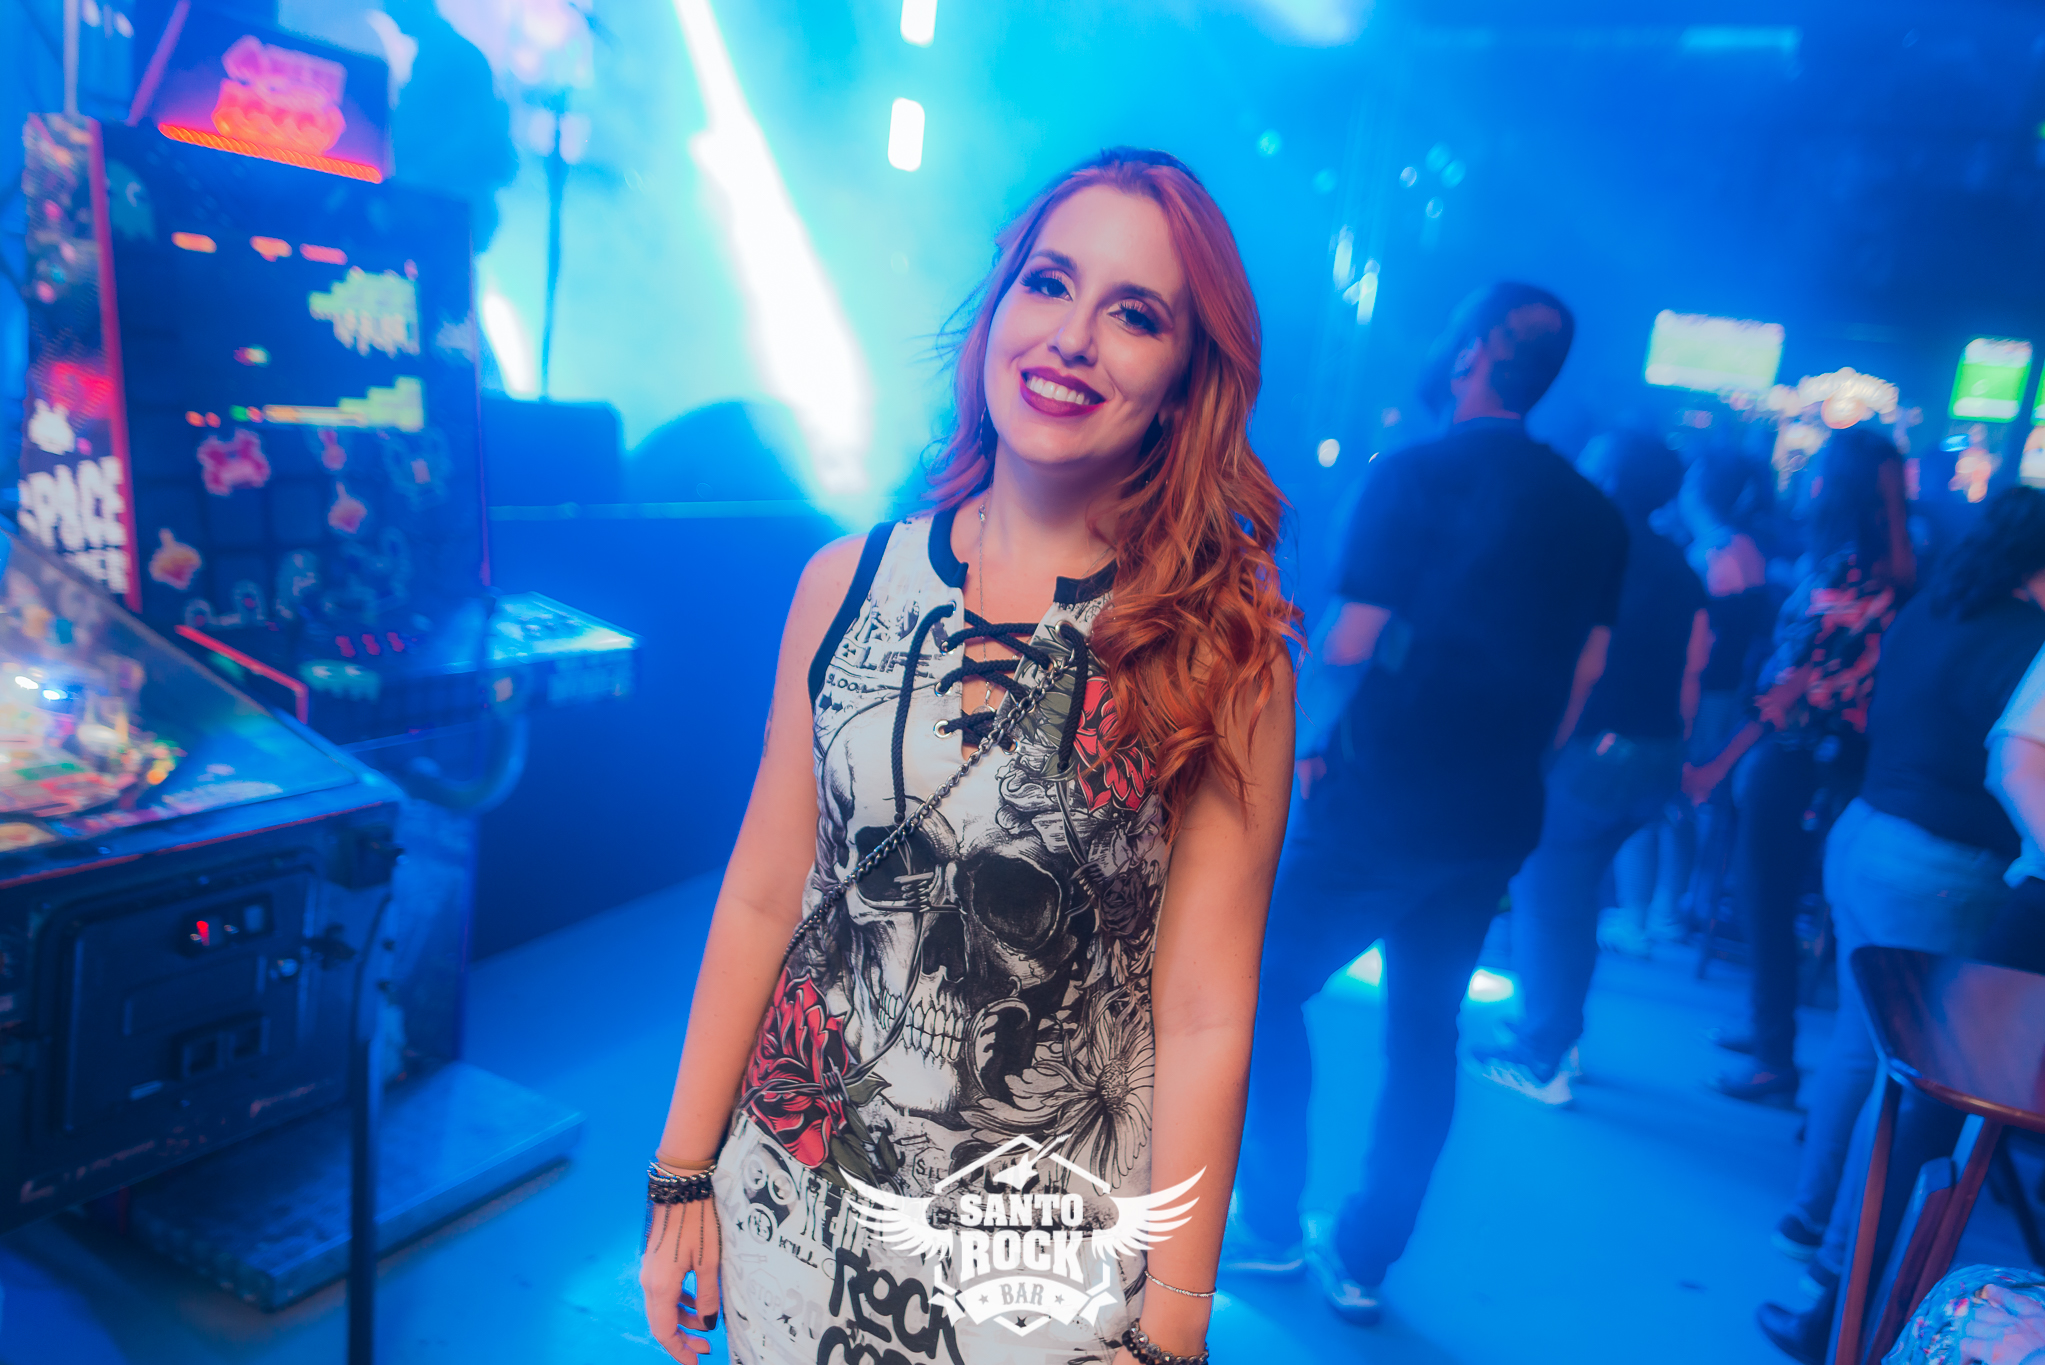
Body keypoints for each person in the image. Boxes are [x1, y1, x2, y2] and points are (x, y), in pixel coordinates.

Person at [635, 149, 1299, 1365]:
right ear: (996, 311)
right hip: (791, 1215)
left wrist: (1172, 1328)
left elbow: (1207, 1011)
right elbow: (765, 892)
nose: (1071, 339)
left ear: (1182, 381)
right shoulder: (841, 584)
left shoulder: (1219, 652)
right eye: (1048, 284)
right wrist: (682, 1170)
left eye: (1134, 314)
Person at [1230, 282, 1627, 1324]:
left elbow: (1350, 642)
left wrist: (1301, 745)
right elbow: (1584, 676)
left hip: (1380, 797)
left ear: (1474, 351)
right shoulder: (1594, 514)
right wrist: (1516, 760)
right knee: (1424, 1031)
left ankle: (1269, 1223)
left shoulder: (1414, 474)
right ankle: (1363, 1256)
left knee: (1257, 988)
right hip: (1492, 813)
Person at [1750, 488, 2045, 1360]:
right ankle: (1836, 1286)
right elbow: (2011, 757)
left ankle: (1814, 1242)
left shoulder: (1934, 605)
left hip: (1868, 831)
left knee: (1866, 1055)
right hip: (1937, 866)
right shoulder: (2022, 638)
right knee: (1908, 1090)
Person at [1467, 431, 1710, 1104]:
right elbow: (1693, 670)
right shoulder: (1678, 564)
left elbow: (1574, 662)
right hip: (1654, 754)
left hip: (1593, 751)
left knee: (1550, 901)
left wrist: (1538, 747)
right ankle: (1555, 1030)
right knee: (1575, 899)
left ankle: (1541, 1056)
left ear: (1605, 473)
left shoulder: (1588, 547)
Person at [1683, 425, 1914, 1107]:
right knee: (1778, 898)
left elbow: (1789, 690)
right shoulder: (1891, 567)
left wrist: (1716, 765)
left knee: (1765, 896)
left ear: (1834, 486)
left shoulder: (1845, 568)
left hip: (1795, 759)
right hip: (1838, 760)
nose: (1805, 476)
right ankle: (1765, 1030)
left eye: (1817, 468)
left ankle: (1772, 1057)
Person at [1606, 443, 1776, 955]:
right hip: (1723, 697)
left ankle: (1637, 915)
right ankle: (1666, 912)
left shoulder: (1711, 555)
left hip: (1694, 697)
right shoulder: (1742, 547)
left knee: (1649, 800)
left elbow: (1700, 643)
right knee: (1681, 805)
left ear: (1697, 490)